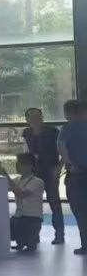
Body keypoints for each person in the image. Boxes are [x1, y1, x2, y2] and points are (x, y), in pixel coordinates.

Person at [22, 107, 63, 244]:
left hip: (50, 170)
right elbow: (26, 153)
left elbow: (62, 150)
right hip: (34, 172)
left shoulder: (53, 132)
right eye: (32, 117)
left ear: (42, 117)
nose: (35, 119)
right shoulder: (27, 133)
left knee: (54, 203)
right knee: (33, 204)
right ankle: (33, 235)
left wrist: (58, 168)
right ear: (27, 120)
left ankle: (59, 234)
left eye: (37, 116)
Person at [0, 153, 44, 253]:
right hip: (18, 216)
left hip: (32, 218)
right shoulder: (17, 180)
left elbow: (21, 194)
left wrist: (7, 176)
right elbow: (1, 187)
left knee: (29, 243)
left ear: (30, 166)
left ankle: (30, 240)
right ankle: (21, 241)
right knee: (5, 228)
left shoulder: (38, 182)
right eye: (17, 163)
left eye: (21, 164)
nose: (17, 166)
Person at [59, 99, 87, 254]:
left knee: (80, 211)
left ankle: (86, 245)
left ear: (70, 112)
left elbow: (61, 147)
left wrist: (69, 164)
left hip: (76, 175)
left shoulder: (68, 128)